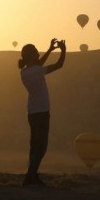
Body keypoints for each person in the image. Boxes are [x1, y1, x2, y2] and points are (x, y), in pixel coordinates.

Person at [18, 38, 66, 186]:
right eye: (36, 52)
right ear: (32, 55)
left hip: (32, 111)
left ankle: (32, 175)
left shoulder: (25, 72)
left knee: (34, 145)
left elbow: (39, 64)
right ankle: (30, 176)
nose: (38, 54)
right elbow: (59, 65)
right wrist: (63, 50)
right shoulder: (37, 71)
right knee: (42, 146)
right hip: (41, 111)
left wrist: (51, 49)